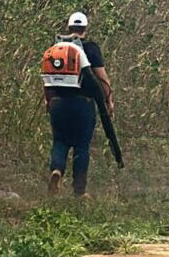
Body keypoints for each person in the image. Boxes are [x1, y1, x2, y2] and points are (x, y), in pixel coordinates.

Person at [42, 12, 114, 197]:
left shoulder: (56, 48)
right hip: (82, 105)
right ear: (85, 28)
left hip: (58, 104)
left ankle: (57, 170)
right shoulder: (89, 48)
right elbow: (102, 78)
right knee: (81, 145)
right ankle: (79, 191)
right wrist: (108, 100)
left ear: (69, 27)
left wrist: (48, 101)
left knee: (60, 141)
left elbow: (47, 80)